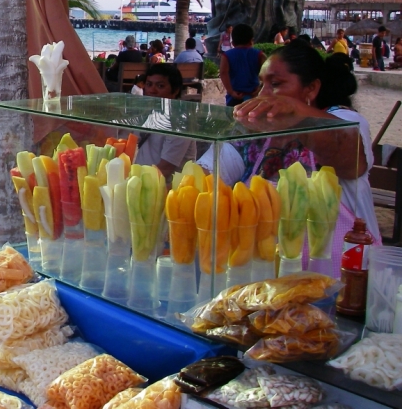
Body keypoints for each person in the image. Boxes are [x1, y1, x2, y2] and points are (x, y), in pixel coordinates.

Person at [200, 41, 381, 277]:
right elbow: (205, 174)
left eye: (275, 84)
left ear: (311, 89)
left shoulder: (345, 120)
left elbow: (346, 153)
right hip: (266, 277)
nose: (263, 93)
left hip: (344, 280)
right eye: (262, 84)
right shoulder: (252, 133)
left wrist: (294, 113)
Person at [134, 63, 196, 179]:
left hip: (165, 188)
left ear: (175, 90)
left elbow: (166, 168)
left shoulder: (180, 122)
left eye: (160, 86)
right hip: (143, 179)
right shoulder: (150, 112)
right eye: (149, 84)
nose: (152, 90)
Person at [220, 24, 266, 107]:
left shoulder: (226, 56)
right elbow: (267, 75)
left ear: (233, 43)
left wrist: (231, 92)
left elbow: (223, 73)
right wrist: (260, 88)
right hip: (254, 95)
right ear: (251, 41)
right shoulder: (260, 55)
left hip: (235, 96)